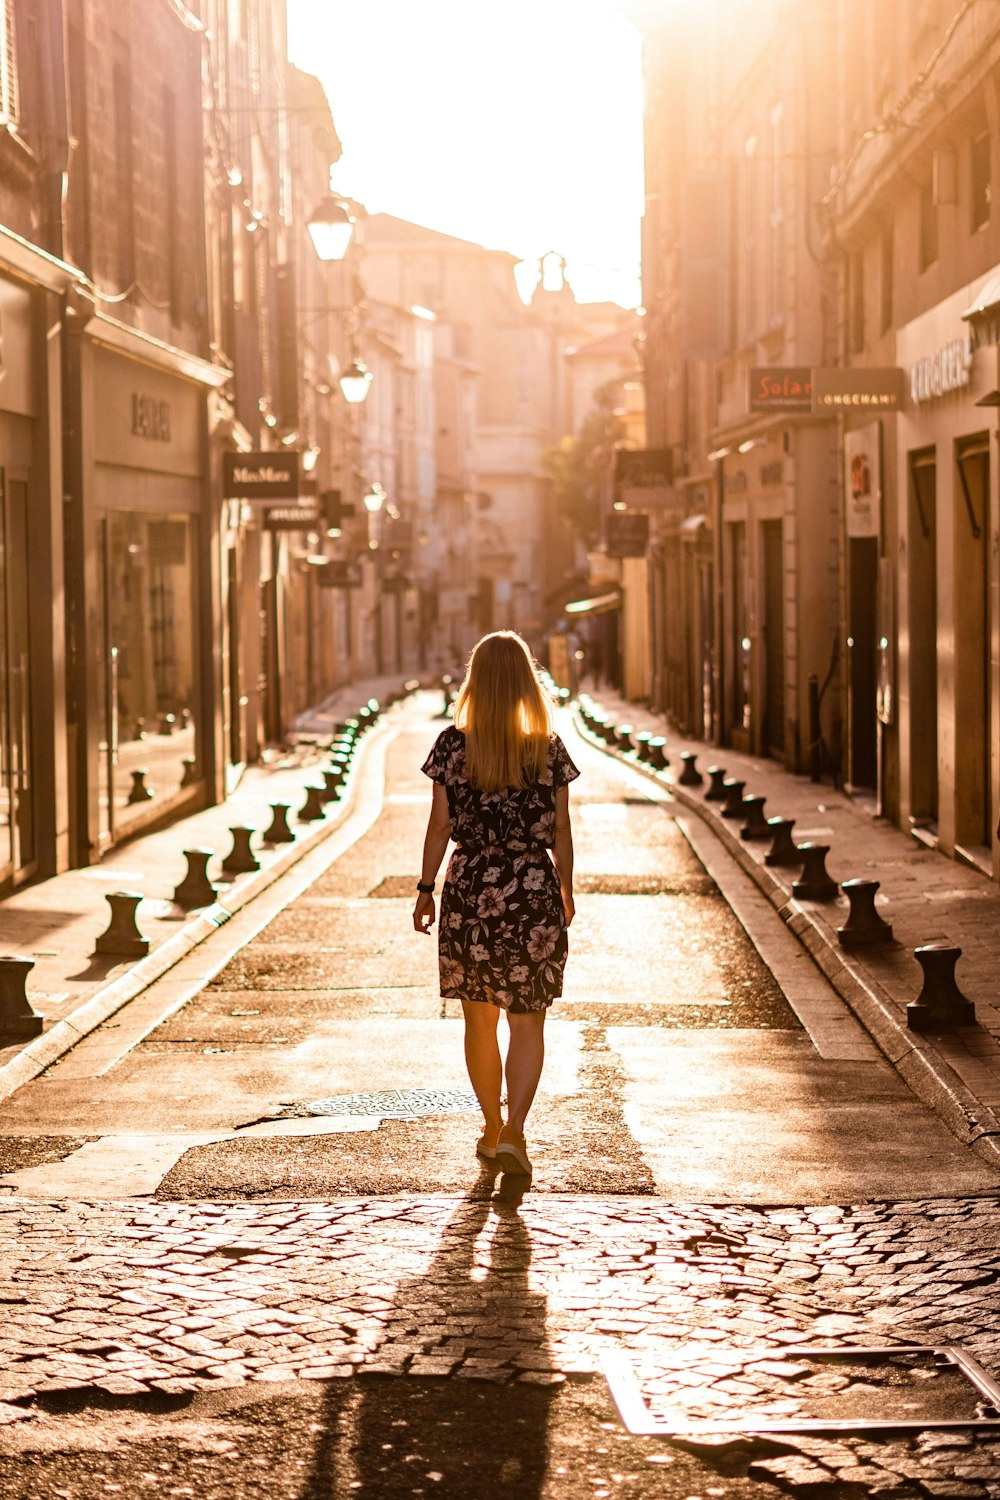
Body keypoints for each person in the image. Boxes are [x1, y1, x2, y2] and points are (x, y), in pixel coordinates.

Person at [413, 631, 579, 1176]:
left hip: (470, 888)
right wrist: (565, 891)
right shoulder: (548, 748)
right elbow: (561, 830)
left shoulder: (451, 745)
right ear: (527, 683)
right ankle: (515, 1133)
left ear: (475, 683)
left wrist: (425, 887)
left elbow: (440, 825)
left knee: (478, 1021)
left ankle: (489, 1126)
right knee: (528, 1022)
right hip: (532, 888)